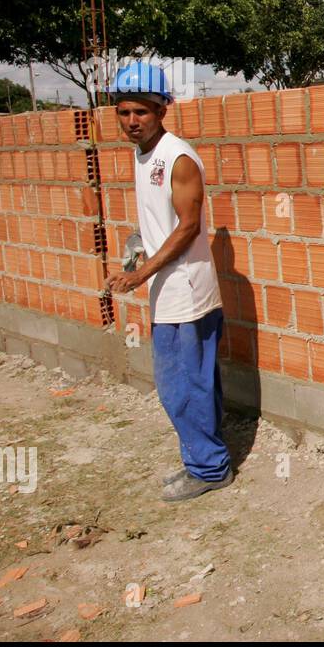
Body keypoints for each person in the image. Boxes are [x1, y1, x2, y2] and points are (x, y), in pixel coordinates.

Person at [105, 62, 234, 503]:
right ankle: (204, 460)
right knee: (194, 382)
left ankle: (209, 468)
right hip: (169, 287)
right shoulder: (143, 156)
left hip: (186, 293)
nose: (131, 121)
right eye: (123, 112)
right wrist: (140, 244)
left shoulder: (176, 157)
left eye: (141, 111)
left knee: (181, 386)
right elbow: (162, 223)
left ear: (162, 109)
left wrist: (140, 274)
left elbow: (188, 226)